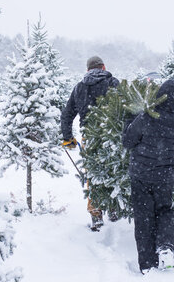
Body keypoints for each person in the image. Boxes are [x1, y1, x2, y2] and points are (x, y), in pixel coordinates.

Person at [122, 79, 174, 273]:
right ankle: (166, 248)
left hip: (141, 175)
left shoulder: (145, 118)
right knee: (164, 211)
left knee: (144, 217)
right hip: (166, 176)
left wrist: (129, 120)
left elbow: (128, 142)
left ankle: (147, 264)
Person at [61, 56, 119, 231]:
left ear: (87, 70)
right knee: (113, 170)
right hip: (111, 136)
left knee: (93, 175)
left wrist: (68, 138)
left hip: (90, 137)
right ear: (103, 67)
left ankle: (96, 214)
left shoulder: (79, 88)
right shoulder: (113, 83)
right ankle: (114, 208)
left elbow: (67, 114)